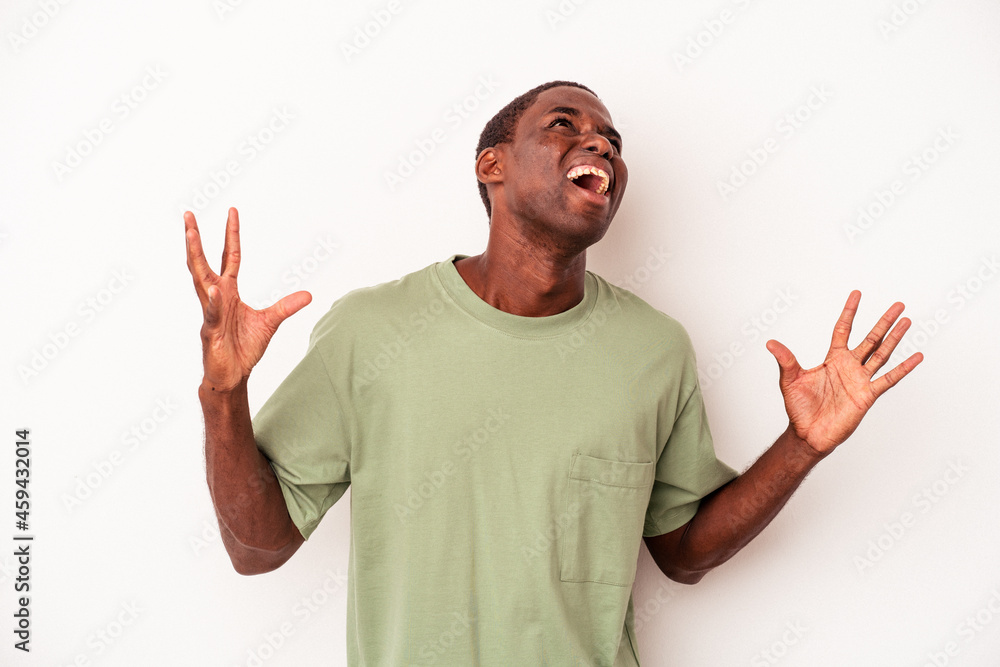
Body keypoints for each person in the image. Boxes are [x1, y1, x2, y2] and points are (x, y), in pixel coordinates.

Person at [183, 80, 923, 666]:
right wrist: (225, 394)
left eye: (611, 139)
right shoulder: (370, 331)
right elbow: (258, 547)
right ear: (492, 165)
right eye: (565, 124)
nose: (598, 140)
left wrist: (803, 446)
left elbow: (683, 554)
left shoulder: (654, 349)